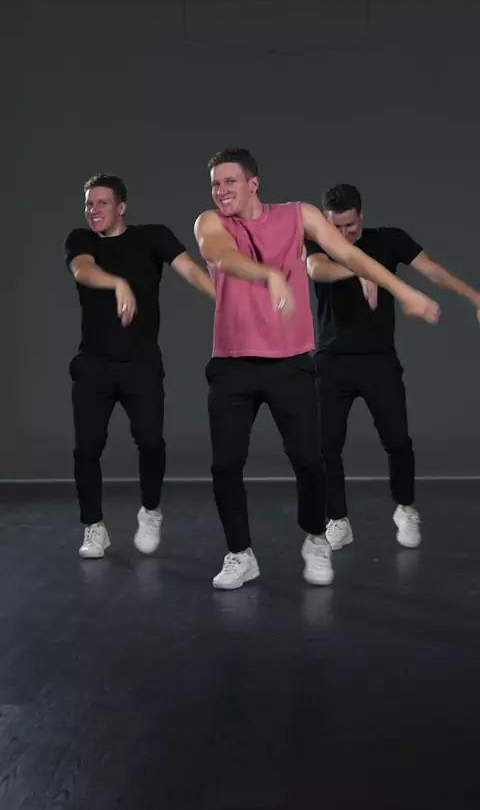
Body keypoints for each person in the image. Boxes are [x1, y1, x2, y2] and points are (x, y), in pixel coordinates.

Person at [193, 149, 440, 590]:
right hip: (232, 365)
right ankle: (240, 554)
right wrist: (269, 275)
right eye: (215, 183)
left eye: (230, 181)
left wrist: (403, 292)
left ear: (253, 183)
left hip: (290, 363)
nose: (221, 190)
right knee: (226, 465)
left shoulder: (297, 215)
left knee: (310, 460)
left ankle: (315, 538)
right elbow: (220, 255)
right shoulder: (210, 222)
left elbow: (349, 254)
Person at [306, 183, 480, 552]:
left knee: (398, 441)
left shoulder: (389, 240)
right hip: (331, 361)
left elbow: (433, 271)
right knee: (325, 446)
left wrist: (475, 297)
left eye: (350, 226)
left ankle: (405, 508)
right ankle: (337, 519)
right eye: (336, 226)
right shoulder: (317, 241)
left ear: (362, 215)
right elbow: (315, 269)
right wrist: (359, 270)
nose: (343, 234)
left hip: (378, 361)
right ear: (325, 220)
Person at [65, 173, 215, 559]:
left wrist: (227, 300)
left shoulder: (153, 237)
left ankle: (150, 511)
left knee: (150, 442)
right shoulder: (81, 240)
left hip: (141, 364)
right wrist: (118, 284)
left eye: (101, 203)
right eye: (89, 203)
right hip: (94, 365)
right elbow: (82, 270)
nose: (93, 210)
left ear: (122, 207)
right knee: (86, 449)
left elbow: (191, 270)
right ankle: (94, 526)